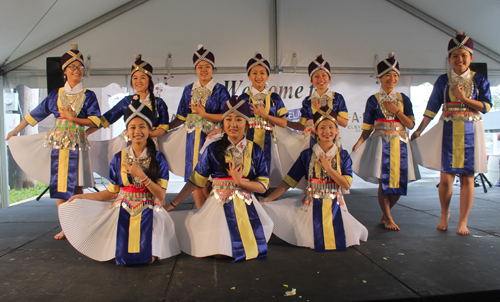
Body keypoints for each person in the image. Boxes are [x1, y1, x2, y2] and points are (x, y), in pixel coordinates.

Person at [61, 96, 180, 264]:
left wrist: (142, 176)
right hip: (122, 208)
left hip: (150, 209)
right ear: (126, 131)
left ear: (149, 129)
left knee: (147, 248)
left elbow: (160, 194)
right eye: (132, 127)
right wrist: (81, 196)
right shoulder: (118, 158)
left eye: (142, 127)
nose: (137, 131)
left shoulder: (158, 158)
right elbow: (111, 192)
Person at [6, 44, 101, 240]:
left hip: (77, 142)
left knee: (77, 185)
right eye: (72, 67)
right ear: (65, 70)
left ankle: (79, 224)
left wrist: (76, 122)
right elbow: (34, 115)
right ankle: (66, 226)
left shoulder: (89, 95)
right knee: (60, 185)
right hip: (59, 142)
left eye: (80, 67)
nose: (77, 71)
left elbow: (96, 121)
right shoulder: (55, 95)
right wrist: (15, 130)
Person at [165, 96, 273, 261]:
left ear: (247, 123)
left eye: (238, 119)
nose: (233, 124)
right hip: (218, 204)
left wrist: (240, 182)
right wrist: (173, 203)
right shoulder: (213, 148)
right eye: (228, 119)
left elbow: (263, 186)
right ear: (223, 122)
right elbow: (196, 180)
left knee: (243, 248)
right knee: (219, 250)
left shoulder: (255, 150)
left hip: (247, 206)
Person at [411, 31, 492, 235]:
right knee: (446, 178)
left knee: (467, 178)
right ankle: (444, 213)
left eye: (464, 55)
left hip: (471, 131)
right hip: (448, 130)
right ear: (449, 59)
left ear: (471, 58)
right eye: (455, 56)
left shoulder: (479, 79)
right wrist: (420, 129)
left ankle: (463, 220)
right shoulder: (443, 80)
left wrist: (463, 99)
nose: (459, 59)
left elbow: (486, 106)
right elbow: (432, 106)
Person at [261, 106, 368, 251]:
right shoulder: (307, 155)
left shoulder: (343, 156)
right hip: (310, 205)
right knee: (306, 236)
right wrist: (269, 198)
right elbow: (289, 181)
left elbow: (346, 185)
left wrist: (329, 169)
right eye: (322, 127)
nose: (327, 131)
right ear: (316, 131)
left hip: (335, 205)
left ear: (337, 131)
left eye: (331, 127)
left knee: (344, 237)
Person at [351, 53, 419, 231]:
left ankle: (386, 211)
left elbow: (410, 124)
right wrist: (359, 141)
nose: (392, 78)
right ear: (380, 78)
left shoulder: (404, 99)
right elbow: (367, 126)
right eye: (388, 75)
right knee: (384, 180)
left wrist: (397, 111)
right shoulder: (373, 99)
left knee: (399, 182)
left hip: (400, 143)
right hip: (380, 142)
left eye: (395, 75)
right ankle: (388, 217)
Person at [165, 45, 230, 208]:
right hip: (191, 140)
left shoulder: (220, 90)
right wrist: (164, 128)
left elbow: (227, 116)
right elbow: (181, 116)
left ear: (213, 69)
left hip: (211, 139)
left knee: (208, 180)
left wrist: (205, 114)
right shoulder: (189, 89)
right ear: (195, 69)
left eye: (207, 66)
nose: (203, 70)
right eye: (200, 67)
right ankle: (201, 214)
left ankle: (214, 212)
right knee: (195, 180)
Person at [87, 55, 169, 178]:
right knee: (127, 175)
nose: (138, 81)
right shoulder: (126, 101)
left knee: (149, 175)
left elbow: (164, 128)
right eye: (135, 78)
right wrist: (86, 133)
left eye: (142, 77)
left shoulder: (158, 103)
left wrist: (145, 134)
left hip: (151, 145)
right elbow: (107, 119)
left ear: (149, 79)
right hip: (129, 144)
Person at [239, 53, 288, 191]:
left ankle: (267, 209)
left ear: (267, 76)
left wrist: (265, 116)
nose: (258, 76)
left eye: (262, 72)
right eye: (254, 73)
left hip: (271, 144)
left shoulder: (275, 98)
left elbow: (283, 123)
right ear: (249, 76)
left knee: (271, 179)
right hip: (248, 144)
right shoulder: (243, 98)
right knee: (249, 177)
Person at [287, 54, 349, 135]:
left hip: (331, 141)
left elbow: (344, 123)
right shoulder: (307, 101)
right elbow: (303, 125)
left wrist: (325, 110)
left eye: (324, 75)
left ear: (329, 78)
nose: (320, 79)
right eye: (316, 76)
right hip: (311, 141)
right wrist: (284, 122)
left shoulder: (337, 98)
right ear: (312, 81)